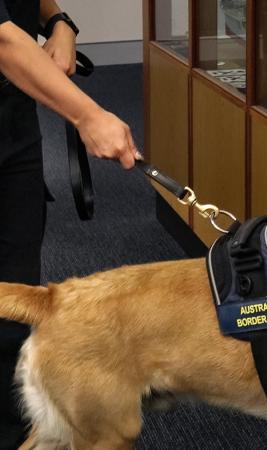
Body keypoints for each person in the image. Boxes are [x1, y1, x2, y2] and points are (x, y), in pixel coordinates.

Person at [0, 1, 139, 447]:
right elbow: (3, 40)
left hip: (12, 130)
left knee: (13, 299)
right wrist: (87, 115)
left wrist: (58, 22)